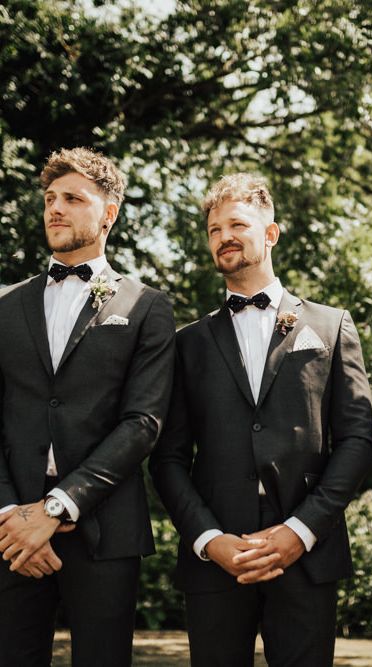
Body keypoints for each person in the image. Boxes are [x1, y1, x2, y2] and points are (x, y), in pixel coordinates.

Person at [150, 173, 372, 666]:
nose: (223, 236)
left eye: (237, 224)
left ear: (270, 234)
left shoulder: (330, 326)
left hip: (307, 555)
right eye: (213, 229)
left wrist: (302, 529)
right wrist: (210, 540)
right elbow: (167, 459)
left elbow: (357, 440)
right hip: (216, 561)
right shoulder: (187, 343)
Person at [0, 147, 175, 667]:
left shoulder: (146, 306)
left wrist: (55, 509)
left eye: (73, 198)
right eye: (50, 198)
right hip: (11, 536)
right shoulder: (4, 305)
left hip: (105, 530)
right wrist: (12, 516)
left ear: (109, 214)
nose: (55, 208)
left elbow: (143, 423)